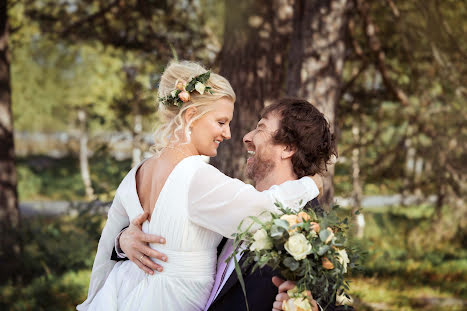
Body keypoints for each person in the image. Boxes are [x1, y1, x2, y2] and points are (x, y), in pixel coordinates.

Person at [77, 62, 321, 311]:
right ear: (191, 116)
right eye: (221, 122)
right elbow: (264, 209)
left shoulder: (136, 173)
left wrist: (120, 241)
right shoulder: (197, 177)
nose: (228, 134)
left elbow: (107, 243)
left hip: (127, 294)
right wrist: (311, 185)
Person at [114, 98, 351, 310]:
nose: (246, 137)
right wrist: (124, 240)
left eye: (260, 128)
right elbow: (174, 238)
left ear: (288, 148)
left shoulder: (314, 231)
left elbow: (337, 305)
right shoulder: (234, 200)